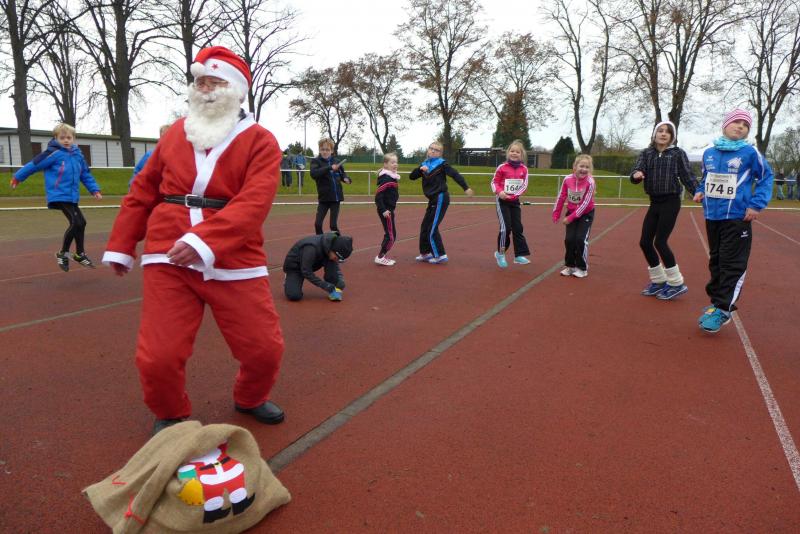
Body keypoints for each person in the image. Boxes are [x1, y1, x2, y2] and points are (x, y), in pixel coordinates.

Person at [102, 46, 286, 434]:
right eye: (200, 82)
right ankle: (169, 411)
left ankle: (250, 397)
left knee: (264, 349)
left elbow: (255, 202)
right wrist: (122, 243)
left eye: (216, 82)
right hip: (167, 253)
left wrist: (203, 242)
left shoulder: (261, 141)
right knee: (158, 355)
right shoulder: (175, 134)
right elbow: (143, 190)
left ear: (237, 90)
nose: (206, 89)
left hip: (236, 256)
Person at [693, 108, 773, 333]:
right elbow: (706, 178)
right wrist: (700, 191)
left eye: (745, 125)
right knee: (716, 261)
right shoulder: (709, 152)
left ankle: (723, 308)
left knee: (732, 263)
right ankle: (716, 303)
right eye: (736, 122)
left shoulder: (750, 153)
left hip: (737, 217)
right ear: (725, 125)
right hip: (712, 216)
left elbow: (766, 177)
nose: (740, 126)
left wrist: (756, 204)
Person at [11, 123, 102, 272]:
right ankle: (63, 253)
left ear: (73, 138)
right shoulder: (52, 153)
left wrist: (94, 189)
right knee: (76, 222)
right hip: (58, 194)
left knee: (82, 223)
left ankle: (80, 254)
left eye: (69, 138)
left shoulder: (78, 155)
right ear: (56, 138)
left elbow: (85, 174)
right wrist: (18, 177)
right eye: (62, 137)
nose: (66, 140)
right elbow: (34, 165)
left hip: (72, 196)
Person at [630, 121, 699, 299]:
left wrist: (697, 192)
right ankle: (659, 280)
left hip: (671, 202)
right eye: (660, 131)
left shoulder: (677, 153)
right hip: (654, 202)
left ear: (672, 137)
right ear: (654, 134)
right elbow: (637, 169)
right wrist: (636, 175)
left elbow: (687, 175)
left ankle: (676, 283)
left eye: (667, 132)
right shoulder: (646, 153)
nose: (663, 134)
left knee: (660, 242)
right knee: (645, 242)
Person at [409, 141, 474, 264]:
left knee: (432, 228)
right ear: (428, 150)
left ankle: (440, 255)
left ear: (440, 153)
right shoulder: (424, 164)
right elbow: (411, 177)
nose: (433, 151)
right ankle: (425, 253)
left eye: (436, 150)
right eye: (431, 148)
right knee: (425, 226)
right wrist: (420, 170)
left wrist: (466, 188)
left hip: (440, 197)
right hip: (432, 199)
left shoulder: (442, 164)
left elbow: (455, 175)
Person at [552, 154, 596, 278]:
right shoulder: (567, 179)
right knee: (569, 240)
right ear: (575, 166)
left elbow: (585, 204)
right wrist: (556, 213)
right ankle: (570, 266)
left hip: (586, 214)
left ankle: (582, 268)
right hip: (571, 212)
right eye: (581, 166)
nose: (584, 169)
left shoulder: (590, 182)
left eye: (587, 167)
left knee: (580, 239)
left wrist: (570, 218)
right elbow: (561, 196)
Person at [491, 139, 531, 268]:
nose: (514, 153)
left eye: (517, 152)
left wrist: (515, 196)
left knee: (518, 227)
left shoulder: (524, 169)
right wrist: (500, 192)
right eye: (512, 151)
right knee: (505, 228)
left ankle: (519, 255)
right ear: (508, 153)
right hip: (502, 200)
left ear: (521, 155)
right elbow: (494, 182)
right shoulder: (502, 167)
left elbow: (524, 185)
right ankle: (500, 253)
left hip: (514, 201)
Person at [283, 232, 353, 301]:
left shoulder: (331, 247)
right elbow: (306, 271)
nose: (337, 260)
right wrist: (325, 285)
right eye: (337, 257)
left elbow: (335, 264)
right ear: (333, 250)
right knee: (294, 295)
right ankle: (289, 279)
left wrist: (340, 279)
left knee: (337, 277)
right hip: (295, 267)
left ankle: (333, 290)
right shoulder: (311, 248)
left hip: (313, 262)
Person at [309, 138, 352, 235]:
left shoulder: (336, 161)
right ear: (319, 150)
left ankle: (338, 242)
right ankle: (320, 241)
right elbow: (314, 174)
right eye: (322, 149)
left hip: (335, 199)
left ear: (332, 151)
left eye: (327, 150)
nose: (325, 152)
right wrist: (329, 167)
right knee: (318, 224)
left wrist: (346, 179)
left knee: (333, 225)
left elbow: (342, 174)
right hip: (323, 198)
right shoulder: (316, 162)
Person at [374, 152, 401, 266]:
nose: (395, 164)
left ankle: (382, 256)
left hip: (389, 210)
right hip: (386, 211)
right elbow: (378, 196)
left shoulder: (392, 177)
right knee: (391, 236)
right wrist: (383, 210)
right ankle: (380, 257)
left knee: (391, 234)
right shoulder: (386, 178)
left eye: (396, 162)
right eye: (392, 162)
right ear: (385, 164)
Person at [130, 123, 172, 189]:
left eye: (170, 137)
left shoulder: (176, 158)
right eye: (164, 137)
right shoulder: (150, 155)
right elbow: (136, 175)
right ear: (160, 139)